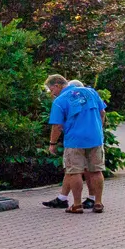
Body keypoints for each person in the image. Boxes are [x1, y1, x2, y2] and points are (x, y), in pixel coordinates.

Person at [44, 73, 108, 214]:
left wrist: (52, 143)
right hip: (95, 139)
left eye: (51, 90)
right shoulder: (91, 92)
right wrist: (98, 129)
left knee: (74, 172)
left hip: (74, 140)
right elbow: (102, 113)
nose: (52, 93)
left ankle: (77, 205)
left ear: (57, 85)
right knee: (96, 170)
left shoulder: (60, 101)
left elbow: (57, 126)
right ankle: (98, 203)